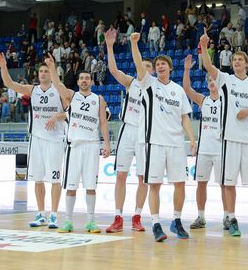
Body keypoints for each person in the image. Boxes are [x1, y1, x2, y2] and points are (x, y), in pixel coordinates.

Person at [200, 28, 248, 237]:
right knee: (228, 182)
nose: (237, 62)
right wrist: (204, 46)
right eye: (235, 60)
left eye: (240, 60)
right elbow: (208, 66)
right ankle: (232, 218)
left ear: (247, 64)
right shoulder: (225, 80)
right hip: (229, 140)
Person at [130, 32, 196, 242]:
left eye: (163, 64)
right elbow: (139, 64)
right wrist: (133, 44)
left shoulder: (178, 90)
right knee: (154, 185)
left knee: (180, 184)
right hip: (155, 143)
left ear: (170, 68)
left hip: (176, 143)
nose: (159, 67)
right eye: (157, 64)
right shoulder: (148, 84)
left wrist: (192, 139)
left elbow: (185, 118)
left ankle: (176, 221)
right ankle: (156, 223)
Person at [0, 54, 66, 228]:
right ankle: (41, 214)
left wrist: (57, 116)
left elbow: (70, 112)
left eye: (46, 71)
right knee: (38, 179)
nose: (43, 73)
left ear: (51, 73)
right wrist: (4, 67)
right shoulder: (32, 89)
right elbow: (10, 84)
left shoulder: (60, 90)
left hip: (55, 140)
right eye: (41, 71)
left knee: (55, 179)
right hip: (36, 140)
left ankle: (54, 215)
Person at [45, 54, 110, 233]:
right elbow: (57, 85)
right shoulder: (71, 97)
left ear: (92, 81)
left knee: (91, 187)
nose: (84, 80)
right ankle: (68, 221)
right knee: (71, 187)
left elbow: (103, 123)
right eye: (81, 78)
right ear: (78, 81)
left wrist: (107, 144)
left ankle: (91, 221)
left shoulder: (99, 100)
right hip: (74, 147)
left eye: (87, 78)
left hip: (92, 145)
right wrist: (52, 67)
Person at [104, 29, 152, 234]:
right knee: (121, 176)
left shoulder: (157, 87)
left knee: (143, 178)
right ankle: (117, 217)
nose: (144, 68)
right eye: (143, 65)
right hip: (127, 130)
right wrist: (109, 45)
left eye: (148, 67)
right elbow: (114, 71)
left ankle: (137, 216)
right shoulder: (131, 83)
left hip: (145, 134)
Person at [182, 54, 227, 229]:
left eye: (214, 79)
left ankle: (227, 216)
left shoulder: (227, 100)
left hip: (222, 148)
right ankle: (200, 217)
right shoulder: (203, 100)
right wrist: (186, 70)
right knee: (201, 183)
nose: (211, 82)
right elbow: (187, 88)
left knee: (225, 185)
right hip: (205, 150)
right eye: (209, 80)